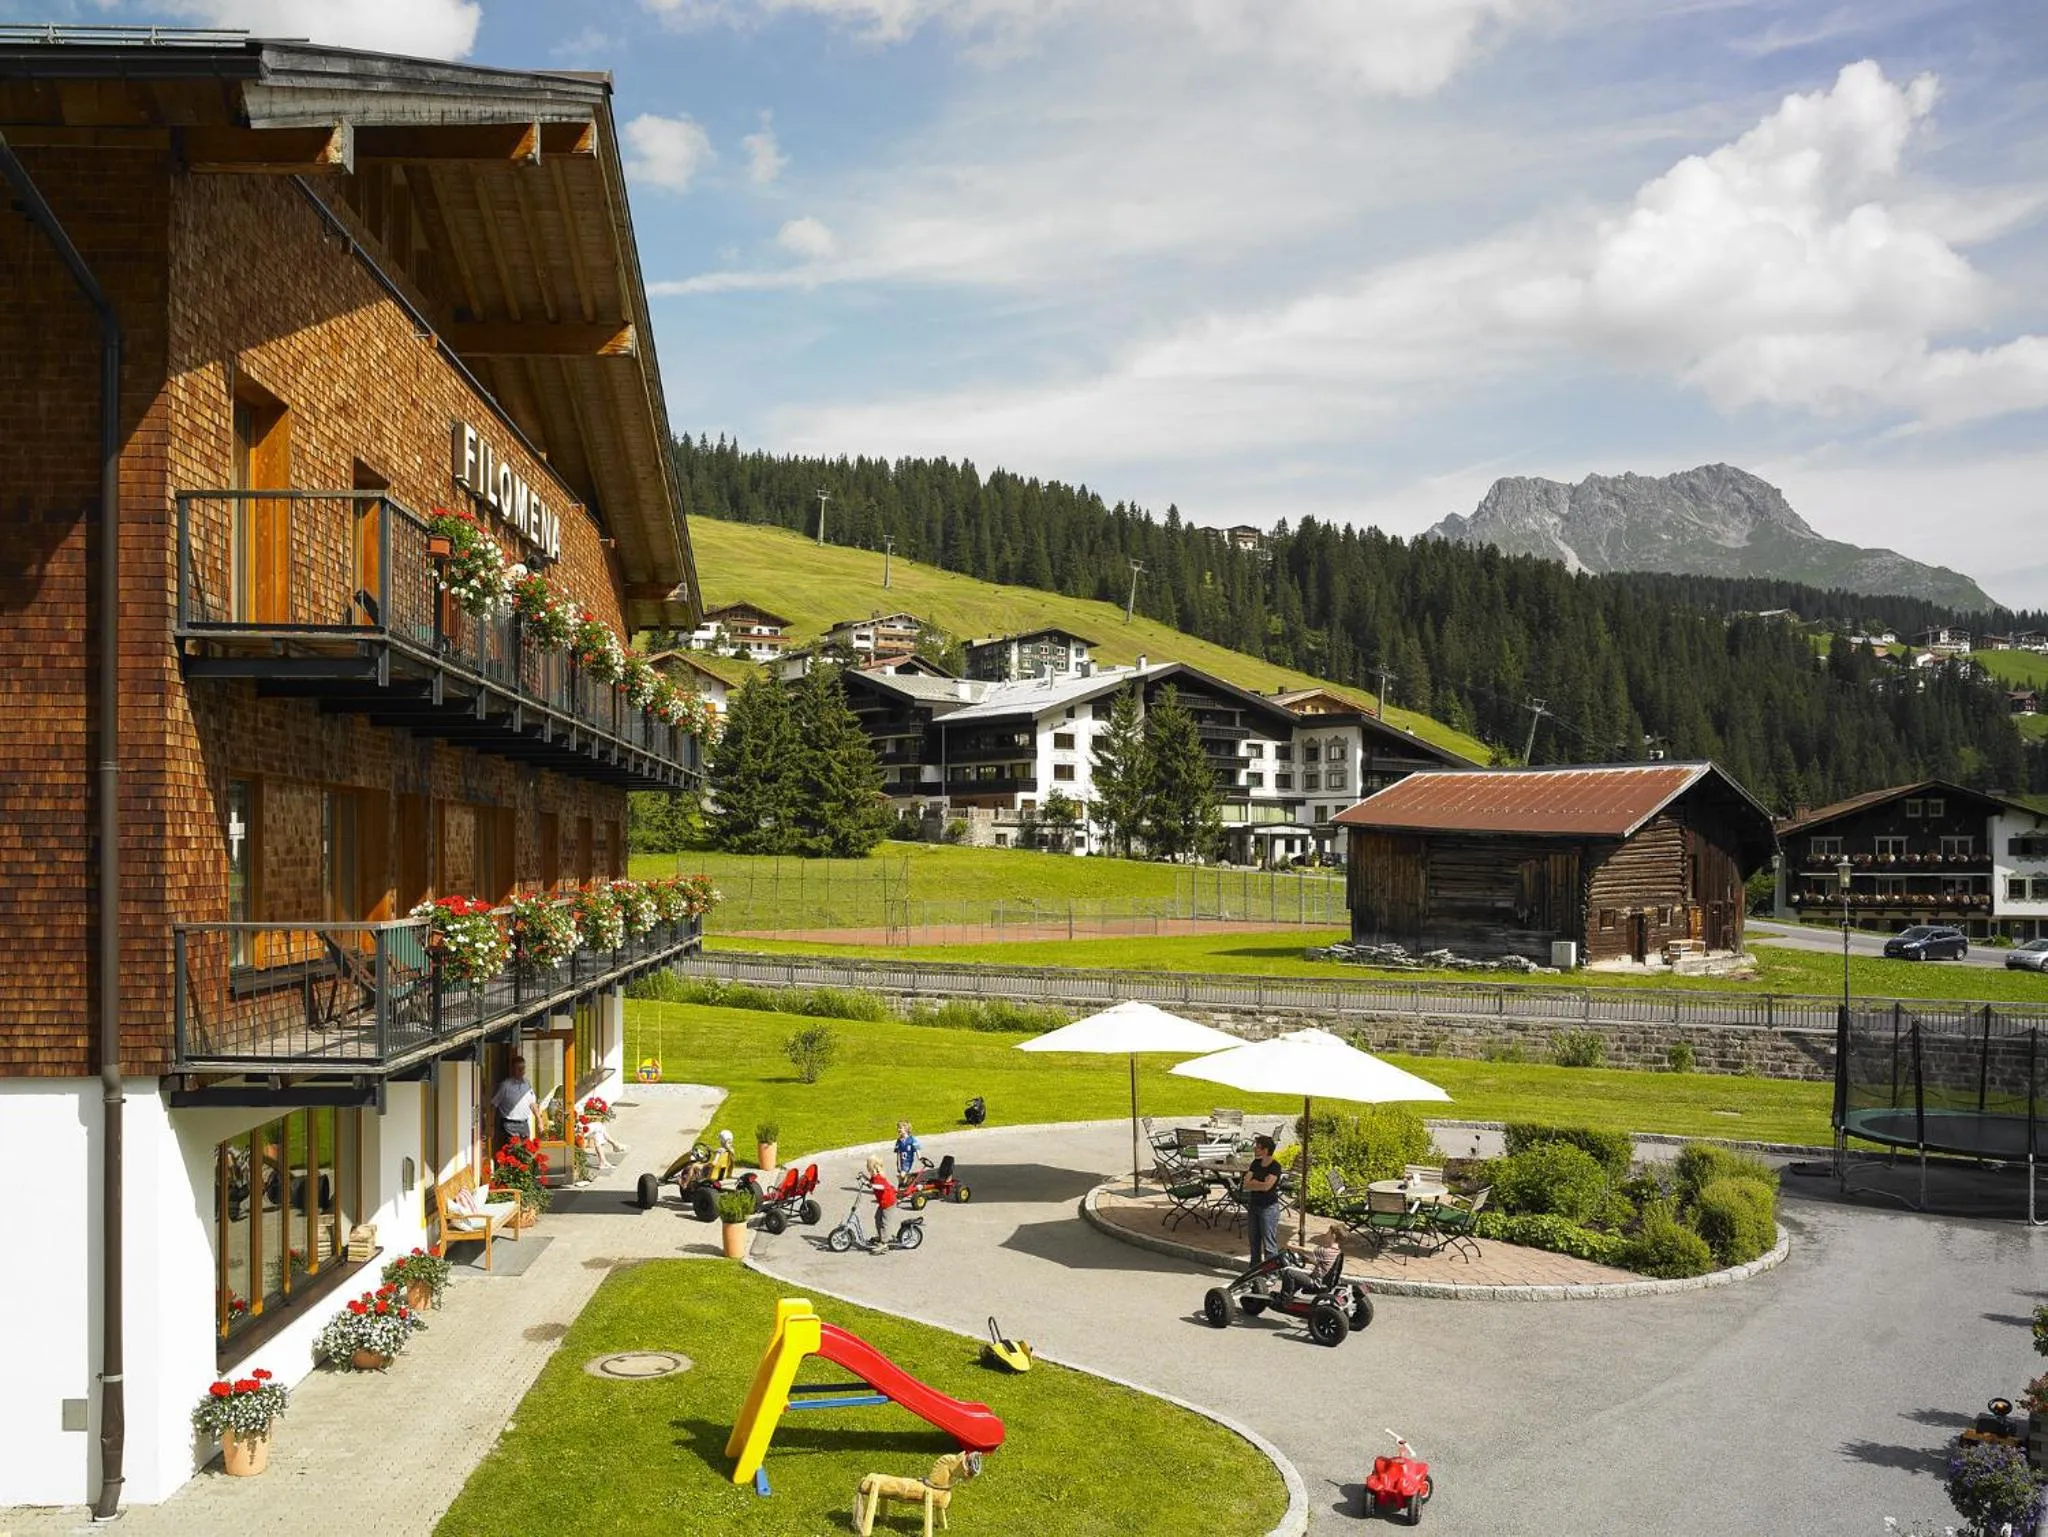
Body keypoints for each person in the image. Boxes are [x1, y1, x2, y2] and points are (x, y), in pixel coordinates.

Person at [1240, 1134, 1284, 1273]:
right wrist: (1259, 1183)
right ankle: (1253, 1270)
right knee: (1254, 1241)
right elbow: (1246, 1184)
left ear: (1265, 1150)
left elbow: (1267, 1186)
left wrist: (1256, 1183)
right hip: (1254, 1205)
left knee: (1269, 1243)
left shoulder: (1275, 1166)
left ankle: (1272, 1272)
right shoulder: (1255, 1163)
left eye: (1257, 1147)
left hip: (1268, 1208)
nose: (1254, 1149)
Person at [1279, 1227, 1345, 1295]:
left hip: (1315, 1283)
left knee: (1289, 1273)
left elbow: (1305, 1250)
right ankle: (1288, 1296)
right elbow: (1323, 1263)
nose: (1325, 1234)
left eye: (1328, 1232)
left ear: (1333, 1236)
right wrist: (1306, 1260)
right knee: (1297, 1277)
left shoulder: (1326, 1251)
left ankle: (1284, 1300)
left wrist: (1290, 1246)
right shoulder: (1336, 1251)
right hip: (1319, 1281)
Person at [493, 1057, 538, 1143]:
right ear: (513, 1069)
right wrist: (490, 1126)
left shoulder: (527, 1084)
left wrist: (539, 1120)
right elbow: (494, 1104)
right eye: (518, 1068)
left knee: (526, 1152)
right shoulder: (505, 1085)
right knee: (513, 1151)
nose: (521, 1071)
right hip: (509, 1125)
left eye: (523, 1068)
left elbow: (532, 1104)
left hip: (524, 1124)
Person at [862, 1153, 898, 1253]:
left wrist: (872, 1185)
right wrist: (864, 1178)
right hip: (883, 1202)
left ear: (872, 1167)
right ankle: (881, 1236)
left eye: (868, 1167)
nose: (867, 1168)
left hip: (889, 1202)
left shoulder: (879, 1177)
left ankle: (884, 1244)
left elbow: (882, 1187)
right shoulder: (874, 1177)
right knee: (877, 1218)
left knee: (884, 1222)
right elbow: (871, 1182)